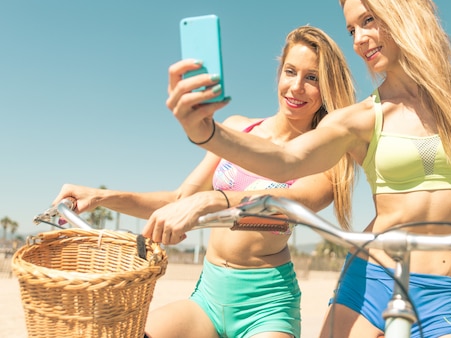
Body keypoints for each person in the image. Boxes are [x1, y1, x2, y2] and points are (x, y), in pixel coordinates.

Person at [166, 0, 451, 338]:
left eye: (369, 20)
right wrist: (207, 132)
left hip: (439, 289)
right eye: (352, 29)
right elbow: (285, 162)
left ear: (403, 14)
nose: (359, 39)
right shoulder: (361, 118)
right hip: (372, 277)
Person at [53, 25, 357, 338]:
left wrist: (214, 200)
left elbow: (293, 205)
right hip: (208, 297)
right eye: (290, 71)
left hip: (265, 305)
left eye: (312, 78)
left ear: (327, 88)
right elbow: (180, 198)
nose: (296, 87)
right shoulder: (238, 129)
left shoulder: (325, 156)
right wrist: (102, 197)